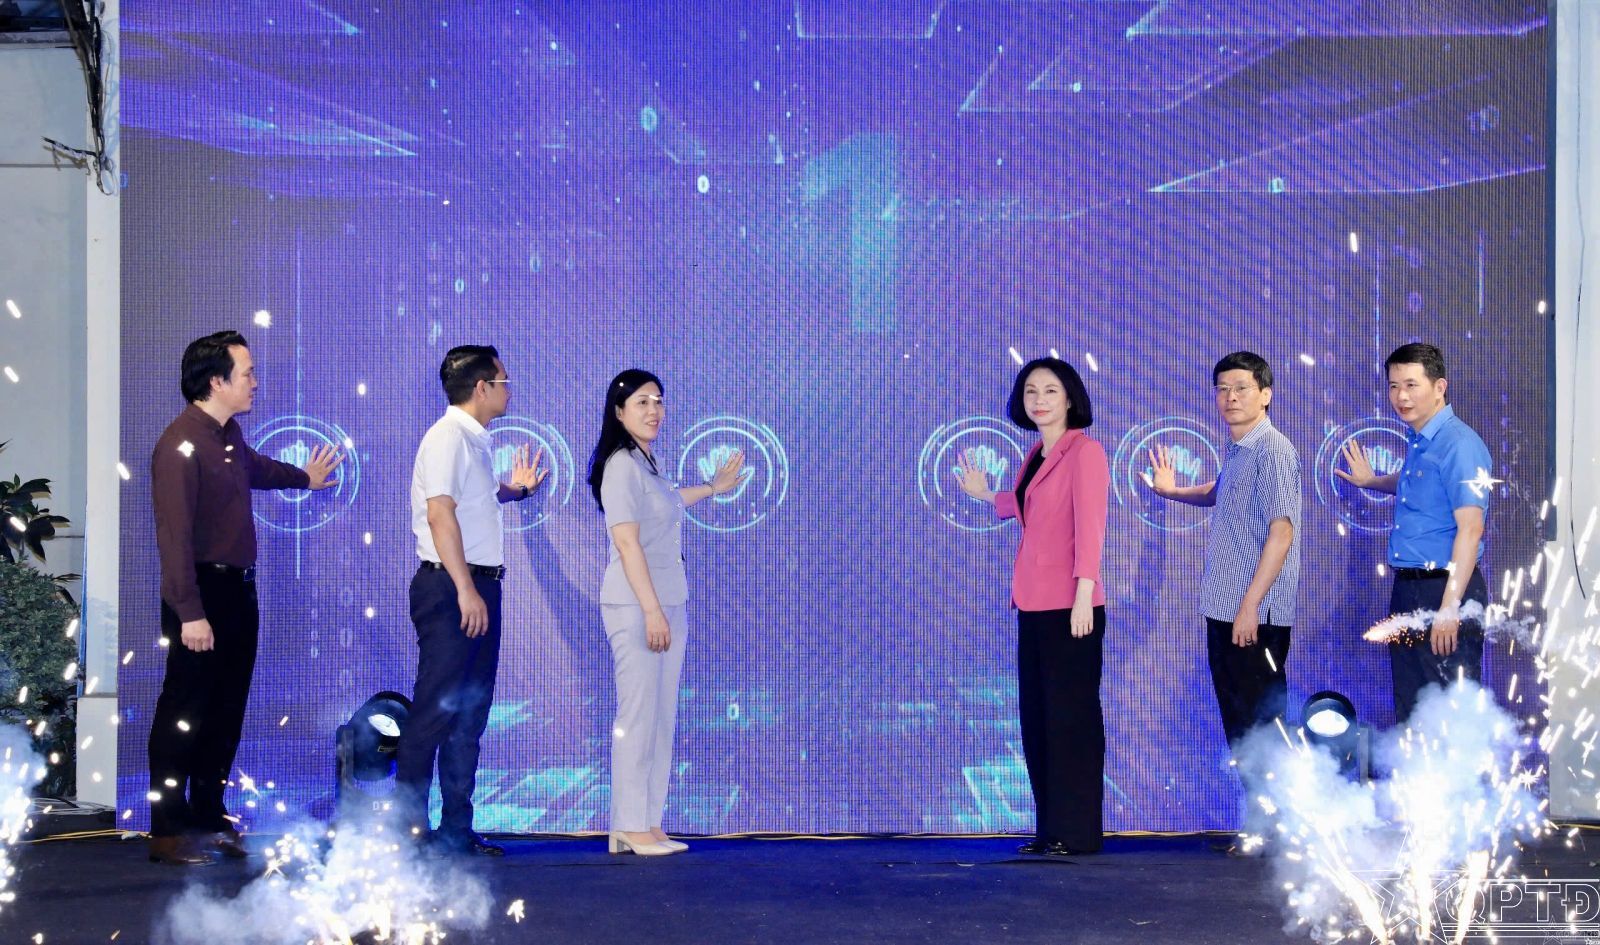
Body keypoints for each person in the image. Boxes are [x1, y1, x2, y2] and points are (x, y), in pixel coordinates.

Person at [148, 331, 343, 865]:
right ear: (217, 381)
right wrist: (190, 613)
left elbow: (255, 468)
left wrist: (304, 477)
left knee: (226, 708)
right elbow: (173, 539)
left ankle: (208, 814)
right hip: (200, 594)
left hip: (237, 591)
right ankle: (166, 830)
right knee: (184, 710)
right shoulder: (180, 444)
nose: (255, 382)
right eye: (247, 373)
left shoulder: (227, 434)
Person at [1146, 351, 1300, 854]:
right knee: (1240, 722)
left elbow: (1282, 532)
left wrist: (1250, 604)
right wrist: (1173, 492)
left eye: (1241, 388)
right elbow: (1219, 492)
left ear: (1266, 394)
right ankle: (1261, 824)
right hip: (1226, 609)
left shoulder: (1273, 451)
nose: (1230, 398)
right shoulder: (1239, 449)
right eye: (1222, 389)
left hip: (1253, 615)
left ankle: (1274, 830)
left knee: (1259, 725)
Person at [394, 345, 546, 856]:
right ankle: (408, 836)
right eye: (503, 381)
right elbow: (440, 514)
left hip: (478, 586)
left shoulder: (474, 441)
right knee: (434, 713)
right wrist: (465, 589)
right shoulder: (447, 437)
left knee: (469, 714)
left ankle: (456, 829)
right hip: (451, 588)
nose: (509, 389)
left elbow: (475, 499)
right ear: (481, 387)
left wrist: (517, 491)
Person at [585, 369, 743, 856]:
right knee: (637, 716)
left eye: (658, 401)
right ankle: (628, 824)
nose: (653, 410)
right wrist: (652, 612)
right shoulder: (619, 466)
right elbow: (627, 544)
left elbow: (670, 501)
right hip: (638, 605)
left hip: (668, 601)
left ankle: (648, 822)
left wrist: (712, 488)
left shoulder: (647, 463)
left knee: (660, 717)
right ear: (618, 412)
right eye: (641, 402)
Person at [956, 357, 1109, 857]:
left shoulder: (1085, 452)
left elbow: (1090, 527)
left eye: (1050, 390)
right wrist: (987, 496)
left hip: (1072, 606)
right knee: (1039, 720)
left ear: (1070, 398)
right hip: (1034, 603)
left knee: (1071, 722)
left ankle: (1077, 834)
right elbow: (1030, 508)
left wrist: (1084, 593)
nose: (1039, 400)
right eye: (1030, 392)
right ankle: (1050, 829)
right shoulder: (1037, 453)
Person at [1336, 342, 1492, 722]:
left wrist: (1450, 608)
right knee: (1412, 710)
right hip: (1410, 589)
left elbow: (1471, 529)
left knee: (1447, 714)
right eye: (1393, 386)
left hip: (1444, 590)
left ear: (1440, 387)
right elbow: (1420, 486)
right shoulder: (1422, 440)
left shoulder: (1459, 444)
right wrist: (1373, 481)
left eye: (1411, 385)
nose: (1401, 397)